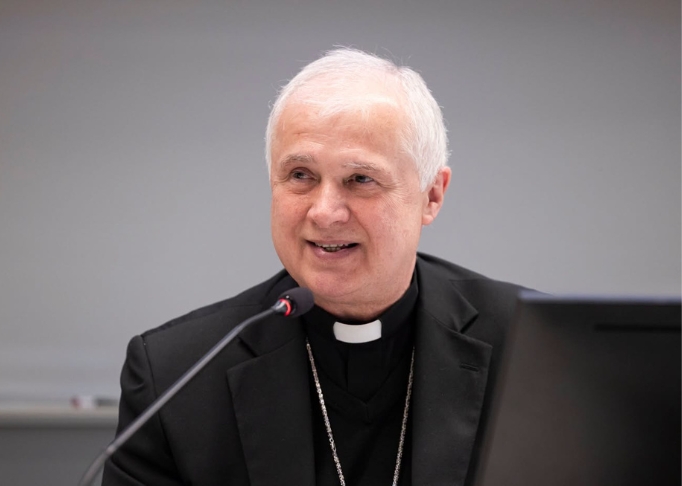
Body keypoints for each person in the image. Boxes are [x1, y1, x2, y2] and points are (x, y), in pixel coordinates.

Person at [103, 48, 522, 486]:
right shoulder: (175, 376)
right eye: (301, 175)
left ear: (432, 195)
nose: (324, 213)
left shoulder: (531, 350)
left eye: (360, 179)